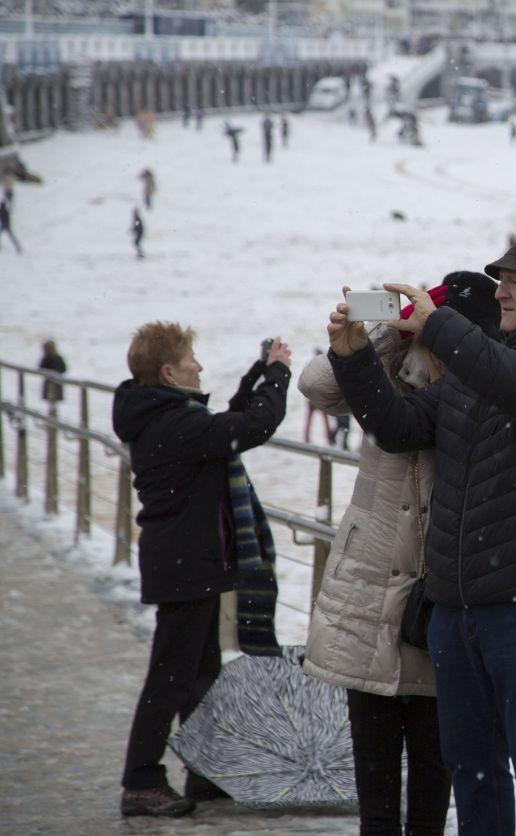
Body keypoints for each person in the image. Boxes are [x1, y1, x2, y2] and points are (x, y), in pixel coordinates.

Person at [325, 223, 516, 836]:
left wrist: (439, 327)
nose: (500, 291)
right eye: (501, 279)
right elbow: (397, 426)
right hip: (456, 610)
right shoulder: (470, 376)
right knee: (473, 769)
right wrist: (355, 355)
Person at [301, 273, 501, 836]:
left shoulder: (481, 388)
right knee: (376, 776)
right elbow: (316, 385)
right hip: (370, 584)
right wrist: (383, 335)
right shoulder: (392, 365)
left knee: (434, 777)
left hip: (437, 594)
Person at [113, 323, 292, 817]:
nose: (200, 366)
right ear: (169, 372)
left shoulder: (168, 417)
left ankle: (204, 770)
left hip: (189, 562)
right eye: (192, 360)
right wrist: (278, 377)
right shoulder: (174, 425)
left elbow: (226, 426)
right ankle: (141, 780)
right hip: (185, 565)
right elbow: (251, 428)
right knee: (170, 676)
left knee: (200, 672)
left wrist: (260, 370)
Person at [39, 339, 67, 410]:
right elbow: (41, 368)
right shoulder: (46, 358)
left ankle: (52, 414)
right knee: (51, 402)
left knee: (53, 402)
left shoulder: (57, 358)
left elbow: (63, 369)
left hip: (56, 383)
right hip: (50, 382)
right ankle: (51, 414)